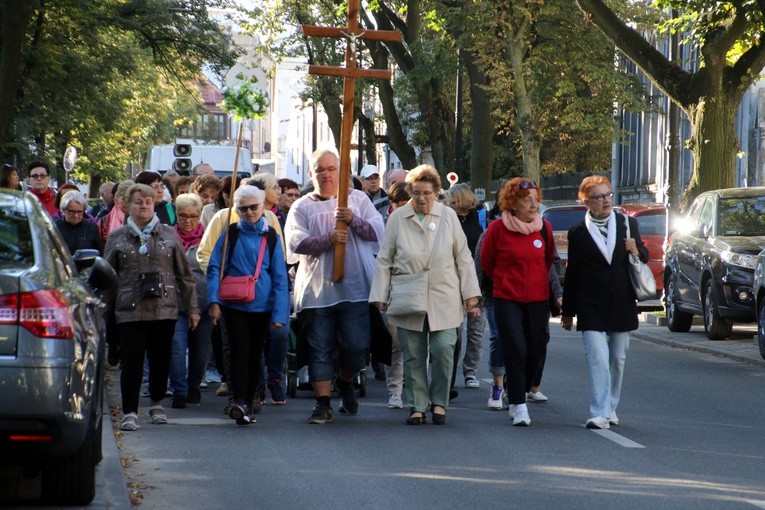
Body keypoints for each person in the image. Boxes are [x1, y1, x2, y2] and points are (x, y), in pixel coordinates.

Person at [369, 164, 480, 426]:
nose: (421, 198)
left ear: (437, 192)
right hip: (408, 292)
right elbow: (385, 259)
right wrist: (380, 294)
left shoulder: (448, 216)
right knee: (414, 354)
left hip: (444, 292)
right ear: (409, 192)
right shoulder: (398, 218)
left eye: (427, 193)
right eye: (416, 192)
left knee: (443, 349)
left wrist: (470, 294)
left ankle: (439, 402)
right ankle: (417, 406)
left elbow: (463, 257)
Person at [285, 147, 384, 424]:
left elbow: (379, 232)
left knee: (356, 347)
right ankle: (323, 403)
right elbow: (294, 243)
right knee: (320, 347)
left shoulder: (359, 200)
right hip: (318, 292)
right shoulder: (302, 206)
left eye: (331, 169)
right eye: (320, 170)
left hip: (355, 289)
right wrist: (326, 240)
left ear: (341, 172)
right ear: (311, 174)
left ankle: (346, 380)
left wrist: (354, 220)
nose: (326, 175)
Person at [104, 184, 200, 432]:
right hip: (129, 309)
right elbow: (107, 279)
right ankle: (130, 411)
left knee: (160, 359)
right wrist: (106, 315)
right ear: (128, 205)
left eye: (148, 201)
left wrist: (192, 308)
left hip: (164, 307)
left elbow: (185, 276)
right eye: (138, 201)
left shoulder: (169, 235)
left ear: (154, 204)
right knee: (132, 362)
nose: (144, 205)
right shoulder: (117, 236)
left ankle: (157, 404)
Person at [560, 175, 648, 430]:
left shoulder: (627, 224)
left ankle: (611, 406)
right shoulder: (578, 233)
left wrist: (635, 249)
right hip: (591, 304)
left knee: (617, 358)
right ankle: (598, 411)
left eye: (608, 195)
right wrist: (568, 312)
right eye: (599, 197)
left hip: (621, 300)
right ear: (587, 202)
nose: (606, 201)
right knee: (597, 358)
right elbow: (573, 272)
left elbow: (643, 254)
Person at [206, 186, 289, 424]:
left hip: (262, 307)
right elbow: (215, 268)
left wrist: (279, 313)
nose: (249, 212)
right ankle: (239, 400)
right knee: (239, 352)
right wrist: (214, 301)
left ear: (263, 207)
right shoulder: (231, 233)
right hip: (234, 305)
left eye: (254, 207)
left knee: (255, 356)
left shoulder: (271, 236)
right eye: (243, 209)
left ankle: (249, 401)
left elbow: (280, 278)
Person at [480, 178, 555, 426]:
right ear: (513, 203)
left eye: (535, 199)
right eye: (526, 200)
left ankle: (517, 393)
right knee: (515, 348)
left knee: (536, 349)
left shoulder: (544, 228)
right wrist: (503, 282)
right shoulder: (497, 229)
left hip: (537, 299)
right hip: (507, 298)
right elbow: (487, 262)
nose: (533, 204)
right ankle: (519, 405)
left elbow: (546, 262)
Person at [168, 193, 213, 409]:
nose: (188, 221)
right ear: (176, 215)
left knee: (200, 350)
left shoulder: (208, 239)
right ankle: (179, 390)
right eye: (183, 215)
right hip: (175, 304)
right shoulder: (167, 238)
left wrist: (215, 303)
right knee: (176, 347)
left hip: (202, 303)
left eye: (193, 216)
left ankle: (194, 386)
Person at [448, 183, 487, 390]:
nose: (451, 204)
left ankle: (470, 371)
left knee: (476, 331)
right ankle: (450, 372)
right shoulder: (448, 218)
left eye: (454, 200)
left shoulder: (481, 218)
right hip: (453, 282)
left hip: (477, 282)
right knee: (455, 331)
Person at [378, 181, 411, 409]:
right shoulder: (384, 222)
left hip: (416, 288)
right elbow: (381, 260)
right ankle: (395, 391)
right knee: (397, 344)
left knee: (420, 345)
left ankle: (417, 390)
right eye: (402, 203)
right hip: (392, 289)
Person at [54, 191, 103, 255]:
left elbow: (99, 253)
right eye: (72, 211)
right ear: (63, 210)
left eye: (79, 212)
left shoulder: (91, 227)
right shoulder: (55, 228)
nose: (76, 215)